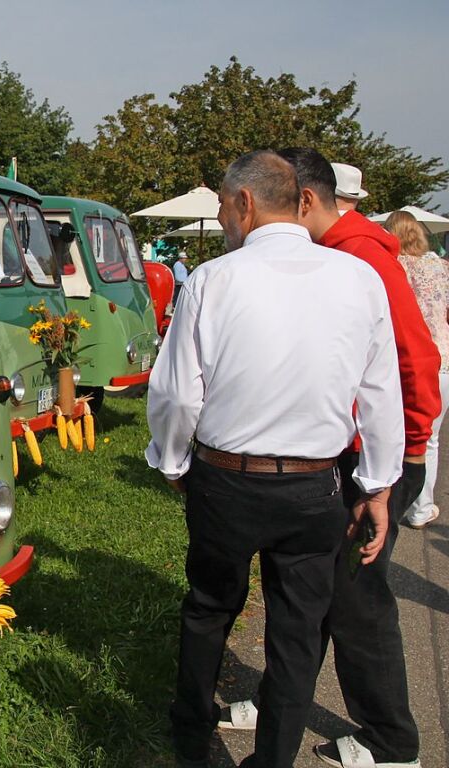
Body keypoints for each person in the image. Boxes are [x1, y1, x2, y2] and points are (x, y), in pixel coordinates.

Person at [147, 150, 403, 768]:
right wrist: (377, 486)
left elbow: (179, 392)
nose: (224, 220)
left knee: (210, 607)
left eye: (223, 207)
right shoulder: (358, 278)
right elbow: (380, 395)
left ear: (246, 203)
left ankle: (191, 736)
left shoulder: (213, 279)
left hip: (228, 478)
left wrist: (175, 462)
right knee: (294, 634)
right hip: (315, 485)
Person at [220, 148, 439, 768]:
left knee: (355, 601)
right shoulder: (338, 255)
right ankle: (279, 699)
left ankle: (392, 740)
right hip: (352, 458)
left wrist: (403, 458)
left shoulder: (360, 258)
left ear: (304, 201)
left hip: (375, 460)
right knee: (308, 591)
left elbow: (413, 363)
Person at [385, 209, 449, 529]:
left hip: (406, 358)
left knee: (398, 432)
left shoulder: (393, 267)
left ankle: (394, 497)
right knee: (430, 438)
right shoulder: (441, 267)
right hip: (444, 360)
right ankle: (422, 505)